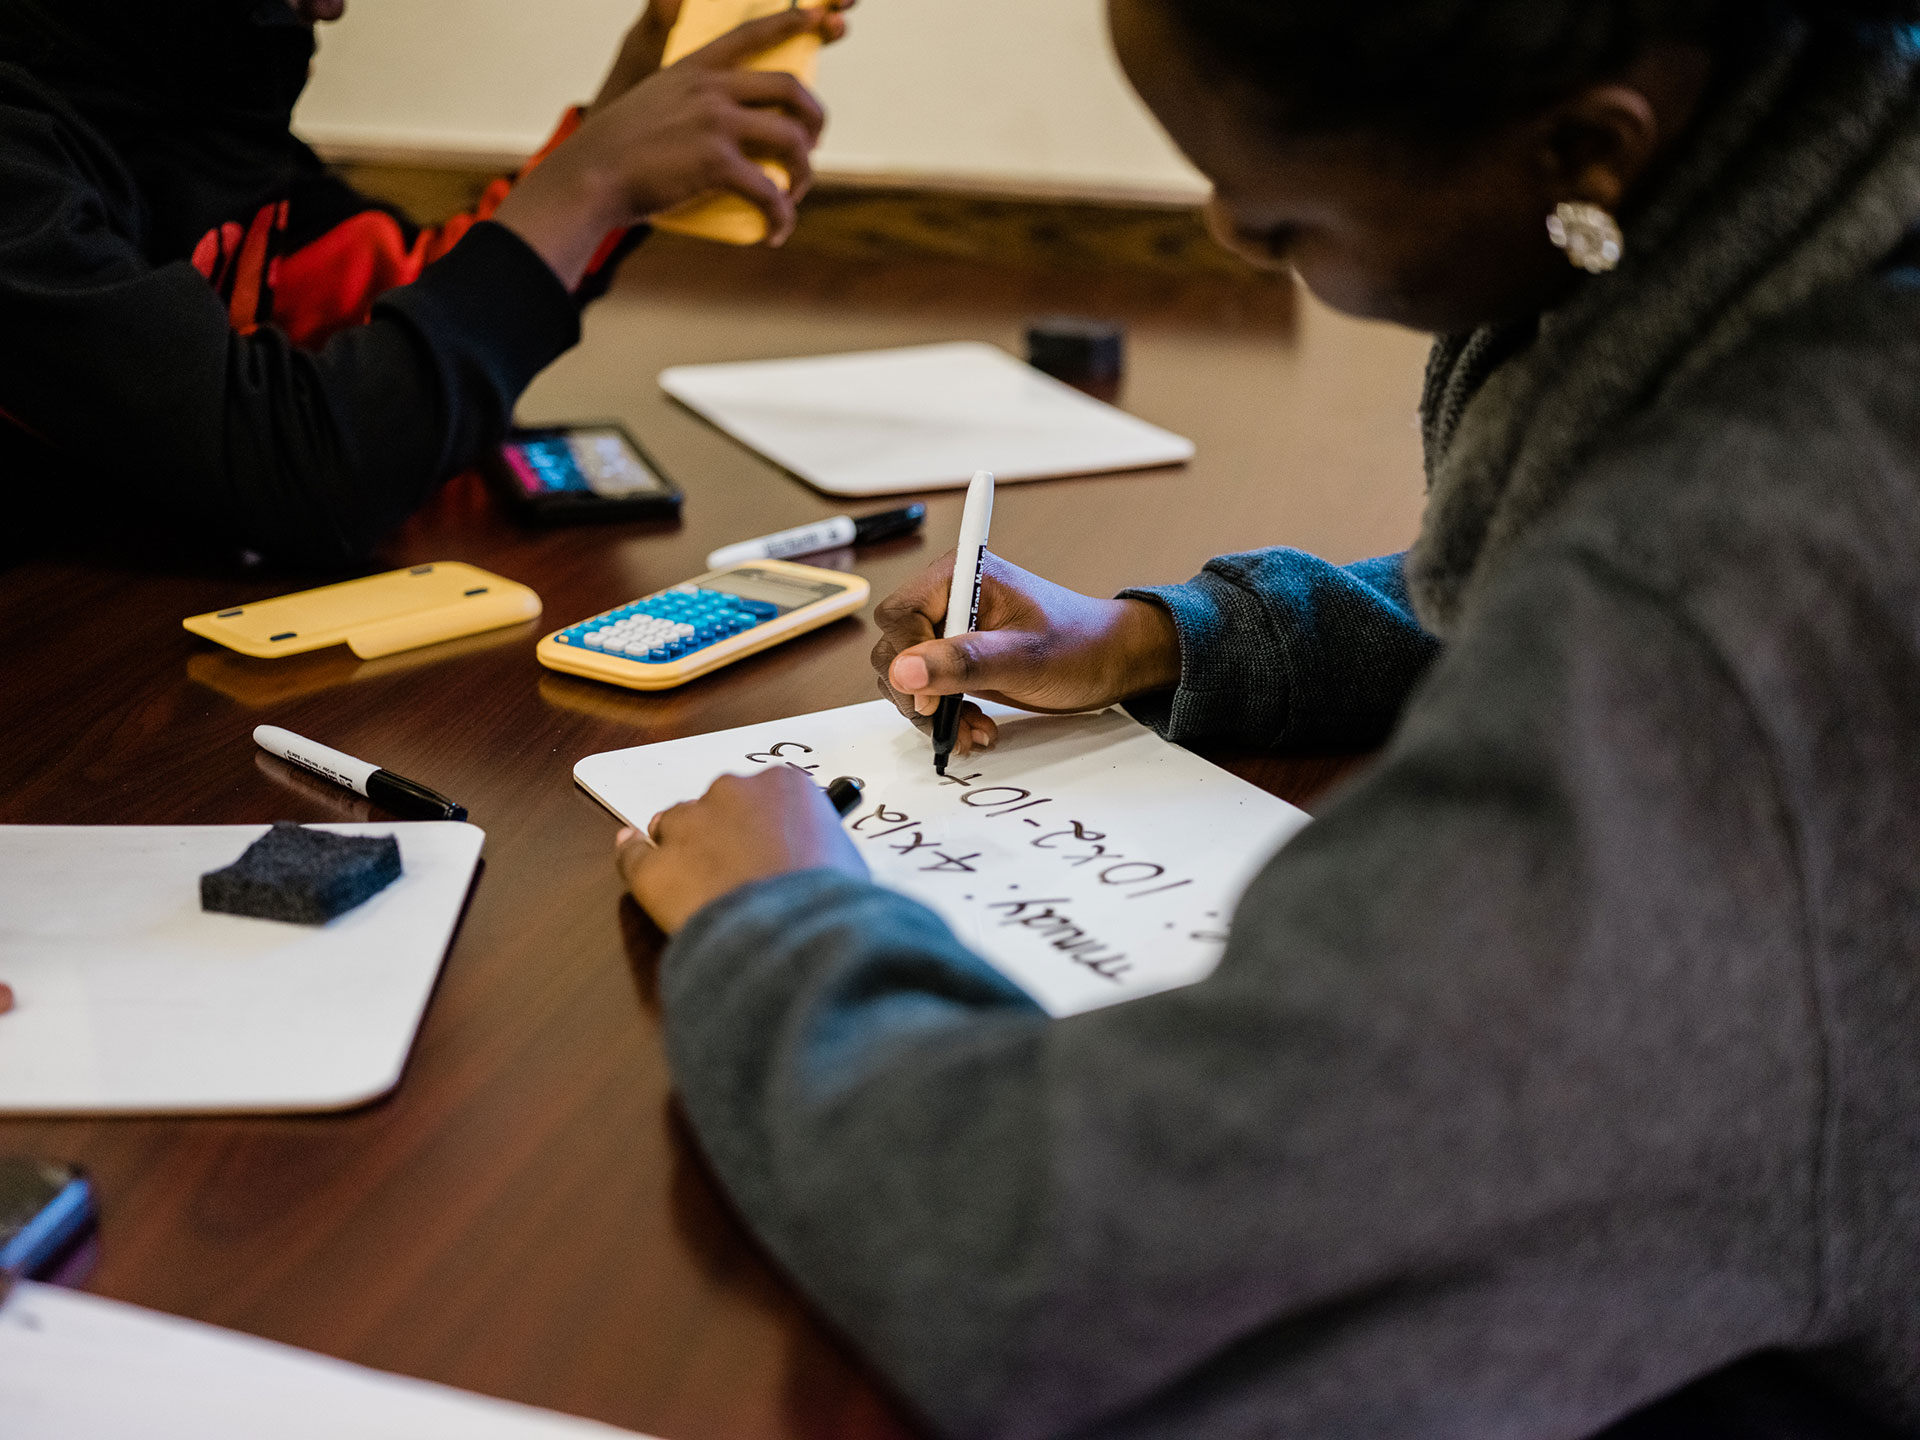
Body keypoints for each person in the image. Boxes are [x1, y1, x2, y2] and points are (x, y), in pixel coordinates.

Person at [615, 0, 1920, 1436]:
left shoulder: (1745, 574)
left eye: (1278, 214)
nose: (1227, 233)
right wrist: (1163, 639)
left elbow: (1058, 1263)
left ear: (1584, 149)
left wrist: (782, 920)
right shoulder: (1829, 225)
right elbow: (1538, 598)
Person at [0, 0, 848, 569]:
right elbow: (299, 467)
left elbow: (405, 301)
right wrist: (591, 185)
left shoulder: (189, 118)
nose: (333, 8)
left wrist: (628, 110)